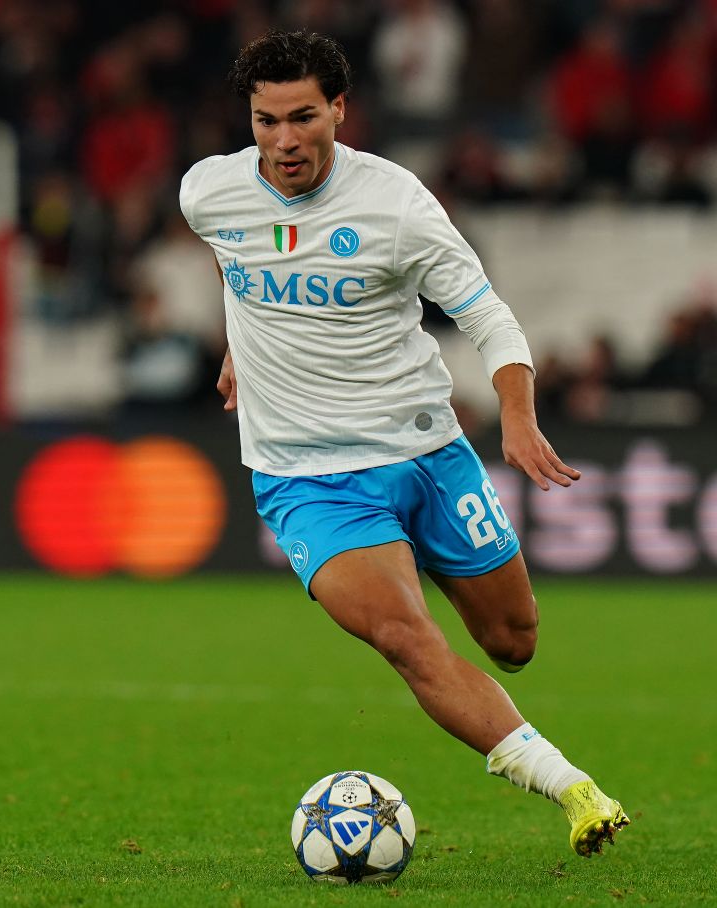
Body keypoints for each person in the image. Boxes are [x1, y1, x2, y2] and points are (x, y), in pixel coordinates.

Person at [179, 30, 629, 858]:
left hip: (425, 449)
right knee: (405, 638)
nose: (283, 140)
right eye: (265, 120)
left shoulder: (395, 203)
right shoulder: (208, 192)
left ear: (340, 111)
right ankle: (572, 787)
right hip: (305, 478)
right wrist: (242, 337)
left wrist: (519, 415)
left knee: (513, 641)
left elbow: (487, 316)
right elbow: (231, 259)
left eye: (303, 117)